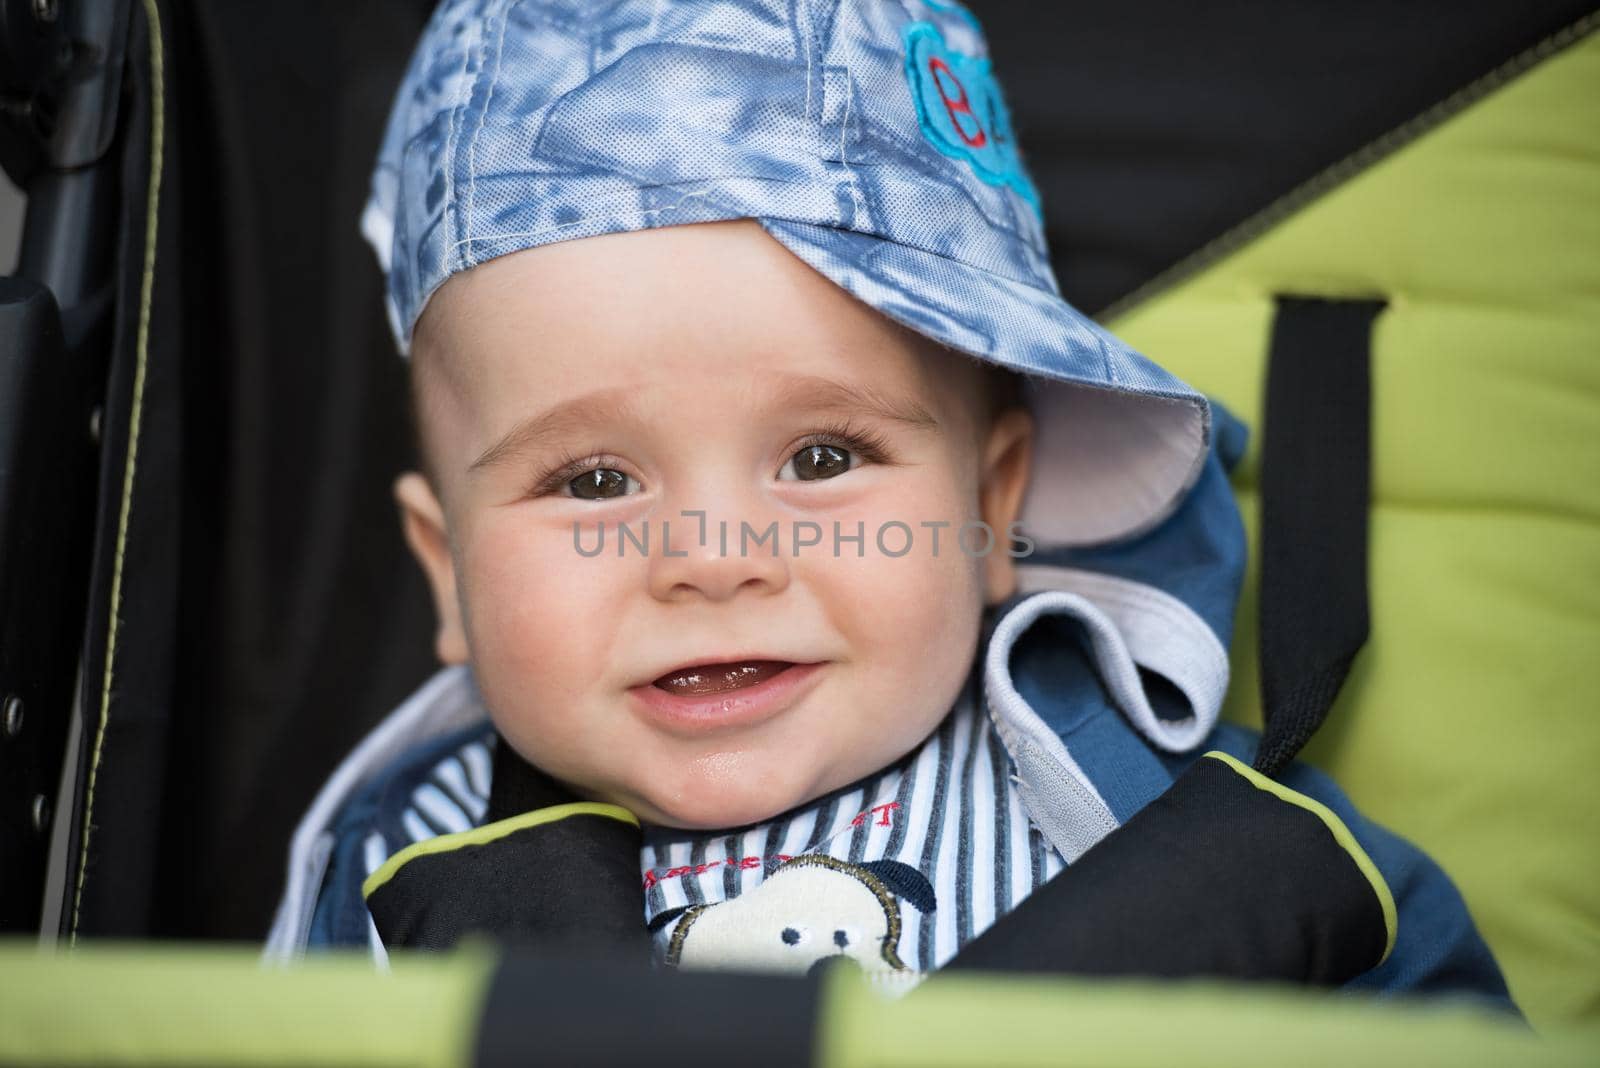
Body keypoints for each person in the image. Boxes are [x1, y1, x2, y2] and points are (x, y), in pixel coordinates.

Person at [267, 0, 1511, 1004]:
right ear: (448, 572)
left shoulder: (1172, 824)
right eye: (592, 481)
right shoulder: (397, 874)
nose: (713, 558)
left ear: (989, 508)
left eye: (820, 459)